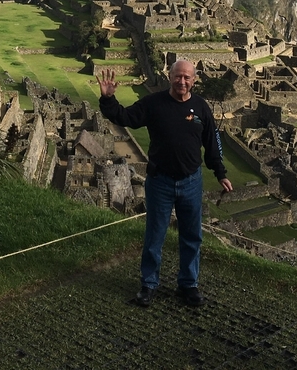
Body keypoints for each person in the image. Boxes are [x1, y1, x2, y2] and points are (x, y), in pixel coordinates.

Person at [98, 60, 233, 307]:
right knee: (155, 235)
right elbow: (126, 117)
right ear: (169, 76)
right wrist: (108, 100)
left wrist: (220, 172)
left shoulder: (200, 107)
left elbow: (212, 142)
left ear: (194, 80)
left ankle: (189, 284)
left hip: (191, 182)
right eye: (177, 76)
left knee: (192, 236)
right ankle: (148, 285)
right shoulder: (154, 103)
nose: (182, 81)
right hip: (160, 181)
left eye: (187, 78)